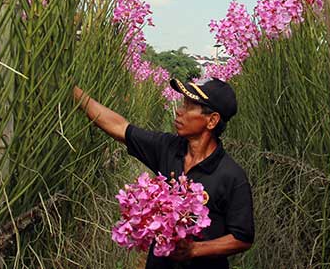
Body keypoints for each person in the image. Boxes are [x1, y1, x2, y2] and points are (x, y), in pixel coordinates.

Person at [73, 77, 254, 268]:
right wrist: (75, 92)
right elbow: (119, 127)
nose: (179, 111)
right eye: (183, 104)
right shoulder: (167, 148)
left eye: (189, 107)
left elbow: (242, 237)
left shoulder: (231, 175)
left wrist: (195, 249)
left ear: (212, 120)